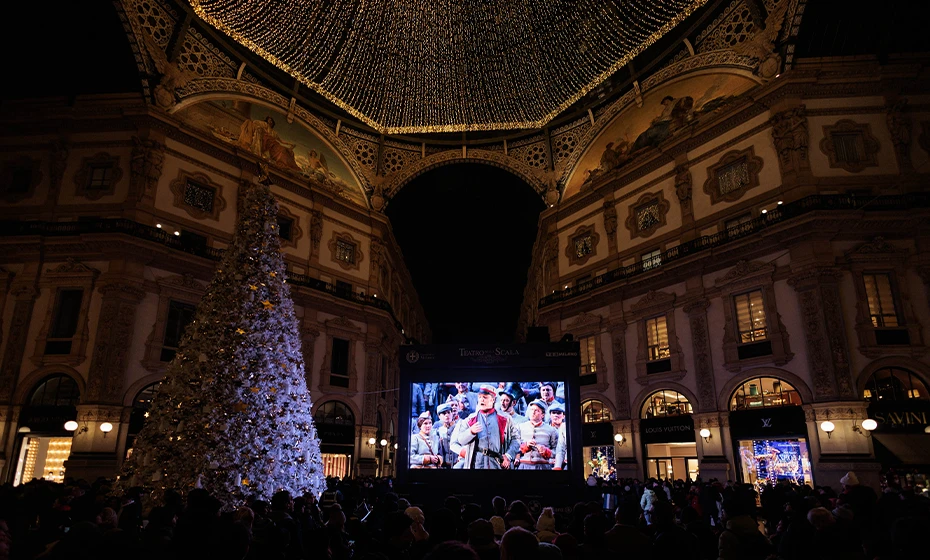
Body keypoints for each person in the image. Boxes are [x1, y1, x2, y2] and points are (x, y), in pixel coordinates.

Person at [454, 385, 521, 469]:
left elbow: (516, 439)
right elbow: (460, 440)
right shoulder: (470, 419)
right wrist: (471, 432)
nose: (481, 399)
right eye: (480, 397)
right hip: (477, 464)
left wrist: (508, 456)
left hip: (497, 464)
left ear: (493, 400)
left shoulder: (505, 418)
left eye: (485, 397)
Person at [517, 399, 559, 470]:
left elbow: (558, 451)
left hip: (543, 467)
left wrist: (546, 451)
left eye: (536, 410)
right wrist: (525, 446)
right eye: (531, 409)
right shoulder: (520, 427)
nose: (533, 412)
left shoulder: (551, 430)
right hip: (524, 466)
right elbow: (513, 447)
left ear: (542, 415)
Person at [436, 402, 458, 467]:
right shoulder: (438, 431)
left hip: (458, 463)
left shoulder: (459, 428)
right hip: (444, 464)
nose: (447, 415)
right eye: (444, 413)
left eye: (449, 412)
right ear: (439, 416)